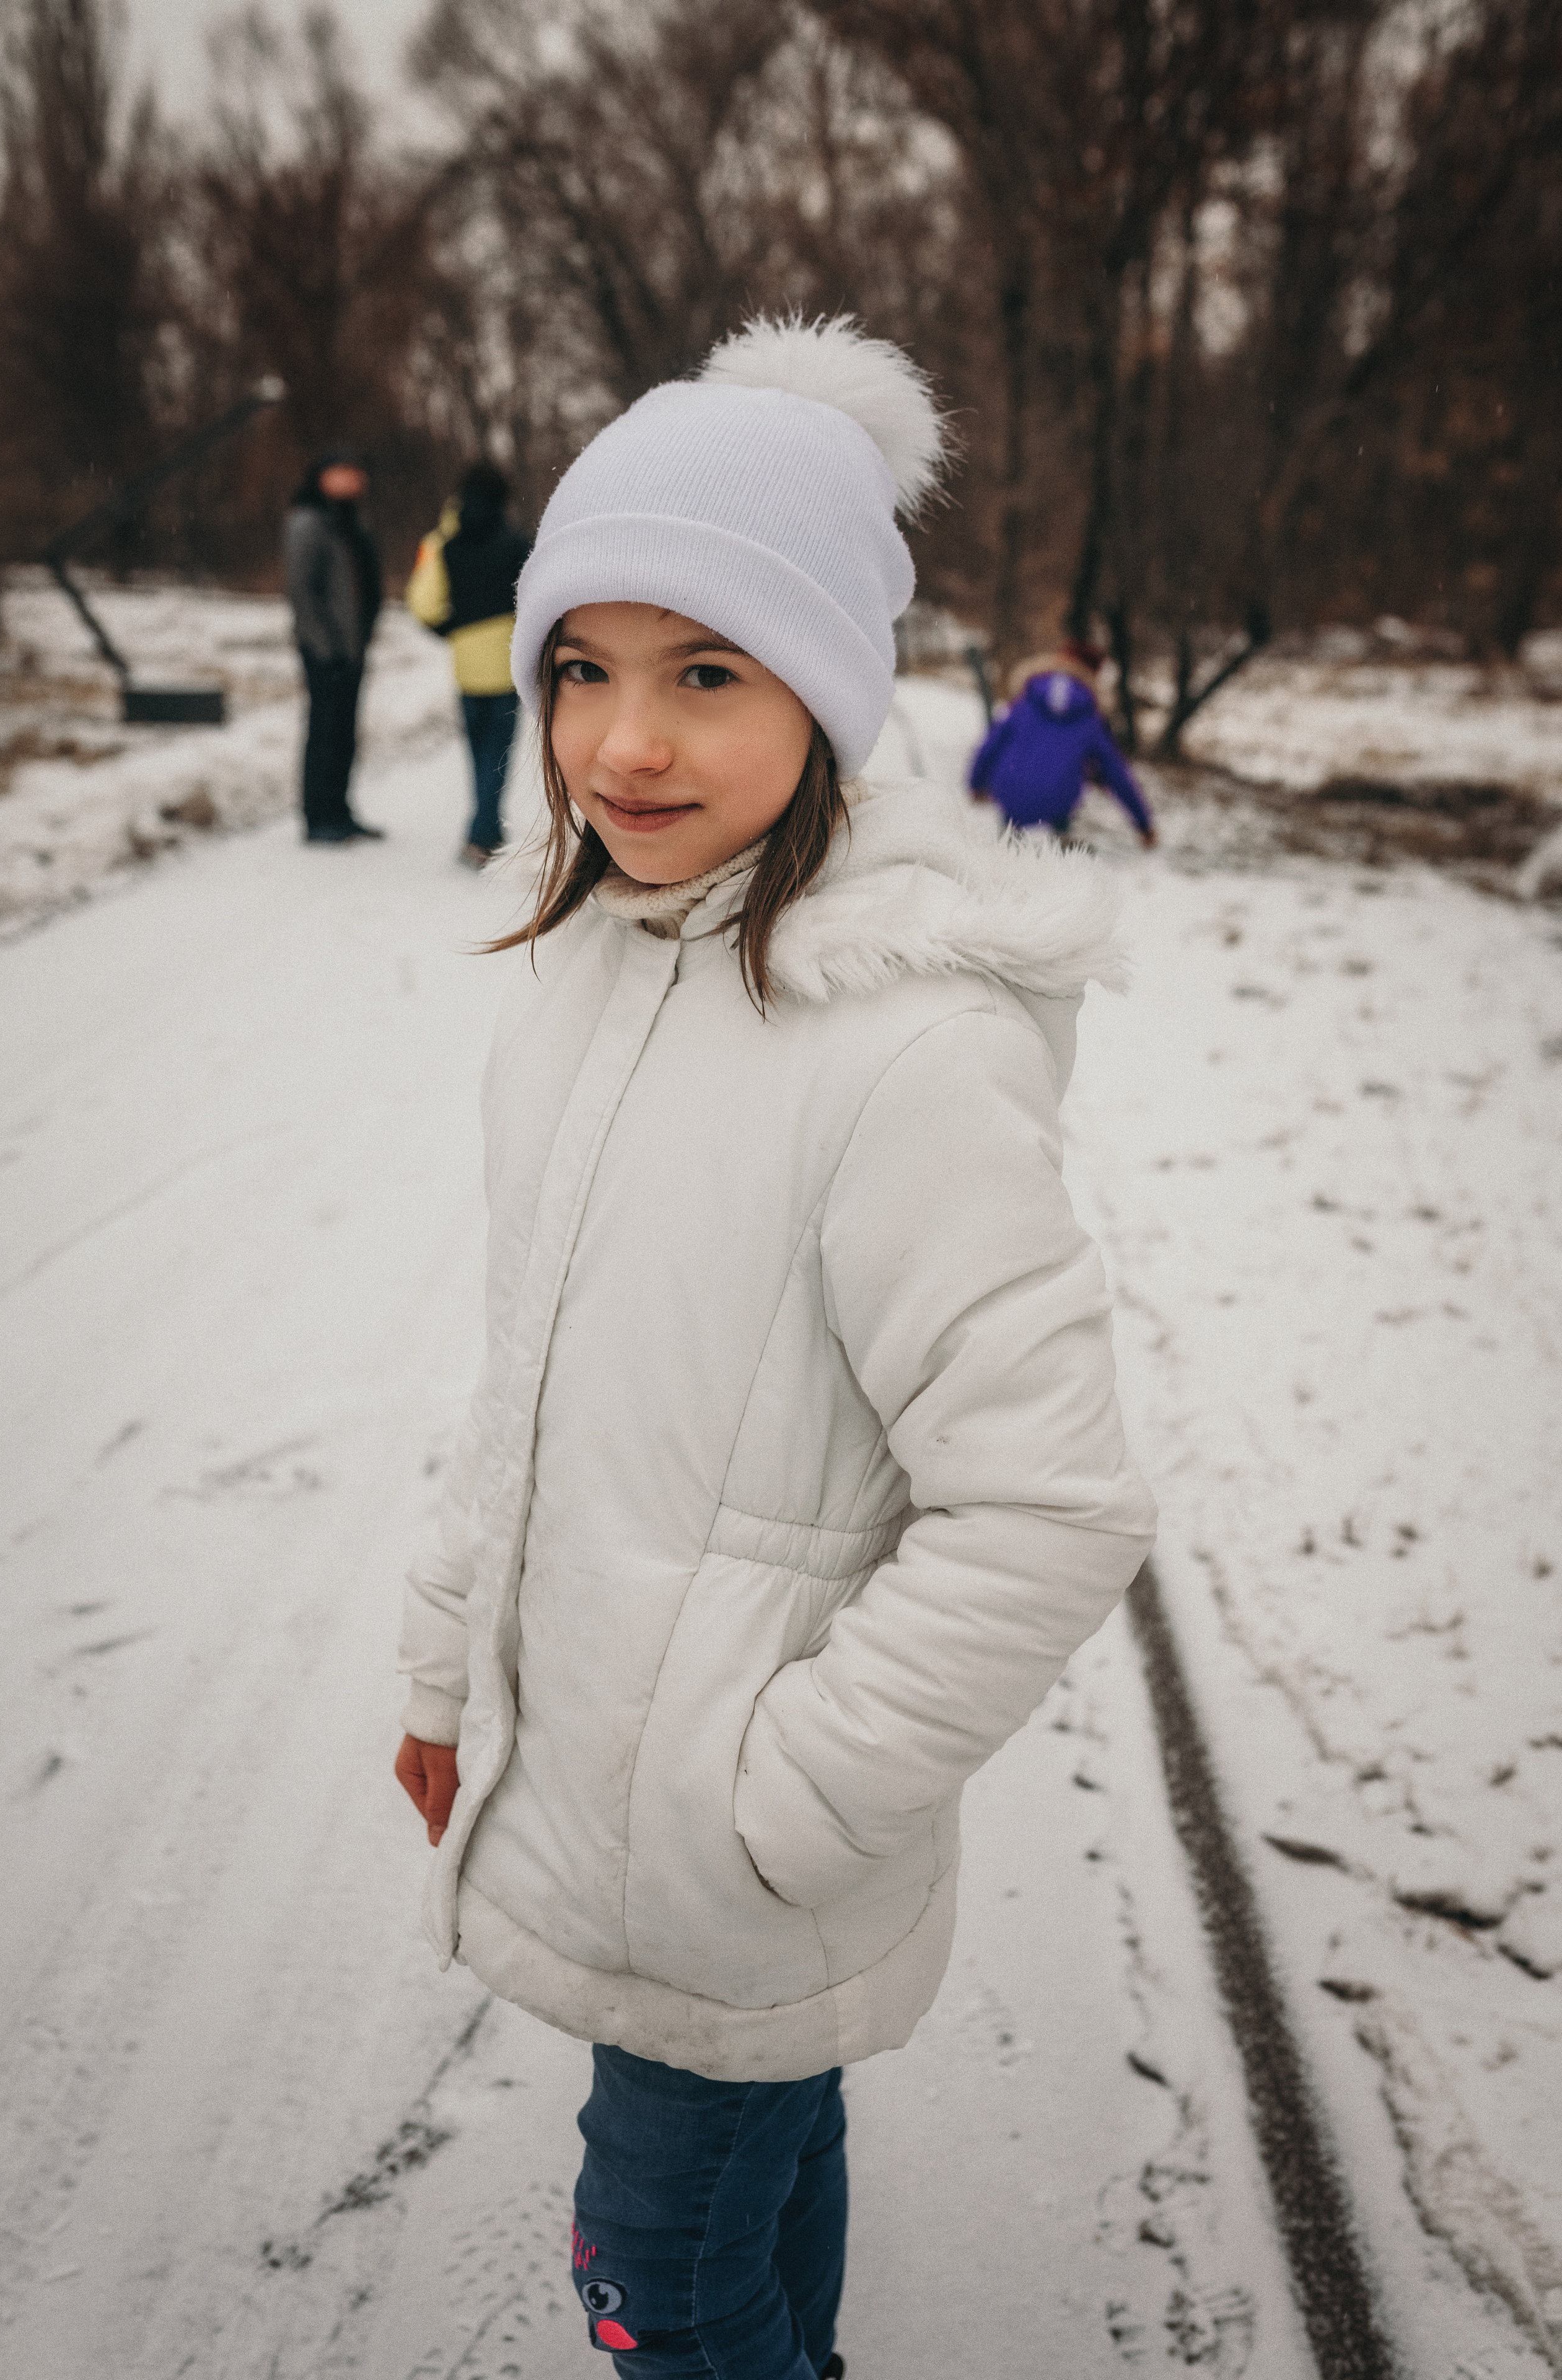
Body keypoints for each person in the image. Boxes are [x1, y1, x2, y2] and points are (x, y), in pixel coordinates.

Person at [393, 317, 1156, 2379]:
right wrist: (450, 1661)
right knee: (763, 2179)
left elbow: (1048, 1506)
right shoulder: (586, 985)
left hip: (725, 1858)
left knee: (660, 2276)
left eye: (706, 673)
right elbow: (522, 1385)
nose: (622, 745)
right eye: (584, 666)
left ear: (828, 696)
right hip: (614, 1803)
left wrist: (781, 1805)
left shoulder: (904, 1054)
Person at [406, 461, 535, 867]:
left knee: (478, 752)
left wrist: (452, 630)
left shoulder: (445, 544)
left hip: (466, 664)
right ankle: (481, 837)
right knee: (498, 752)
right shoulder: (517, 545)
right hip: (505, 661)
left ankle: (487, 829)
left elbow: (423, 604)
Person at [283, 447, 385, 844]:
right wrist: (324, 649)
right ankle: (318, 817)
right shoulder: (308, 521)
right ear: (322, 476)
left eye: (357, 471)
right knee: (324, 731)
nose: (355, 479)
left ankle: (340, 811)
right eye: (344, 471)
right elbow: (301, 591)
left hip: (351, 646)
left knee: (344, 732)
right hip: (325, 650)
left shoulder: (348, 520)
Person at [970, 637, 1157, 846]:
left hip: (1011, 792)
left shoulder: (1026, 701)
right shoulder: (1089, 717)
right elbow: (1116, 772)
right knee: (1059, 824)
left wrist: (976, 785)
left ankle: (1007, 854)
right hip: (1058, 802)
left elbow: (992, 744)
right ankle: (1059, 853)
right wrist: (1144, 824)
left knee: (1010, 840)